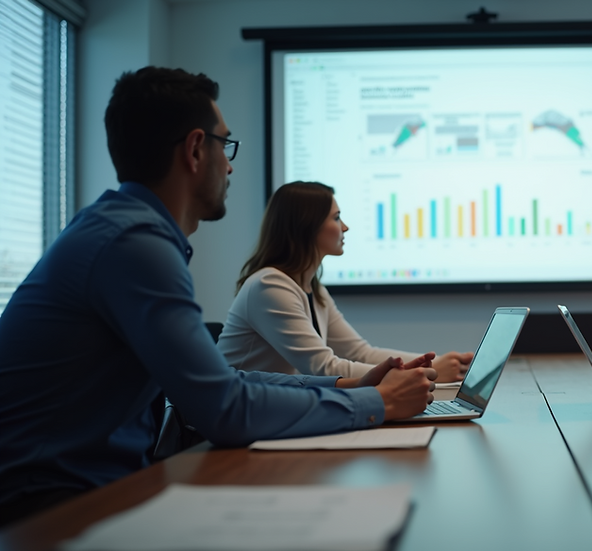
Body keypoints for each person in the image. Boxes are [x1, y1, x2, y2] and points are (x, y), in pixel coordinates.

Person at [0, 67, 437, 526]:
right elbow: (224, 408)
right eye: (224, 145)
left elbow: (229, 382)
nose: (229, 165)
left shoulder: (122, 231)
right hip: (47, 506)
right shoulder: (133, 244)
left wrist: (349, 387)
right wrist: (378, 404)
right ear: (194, 149)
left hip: (89, 486)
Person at [217, 181, 473, 382]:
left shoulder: (312, 288)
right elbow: (324, 368)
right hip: (238, 419)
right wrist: (423, 371)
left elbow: (361, 353)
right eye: (337, 218)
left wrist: (432, 363)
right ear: (307, 226)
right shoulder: (269, 286)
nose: (345, 227)